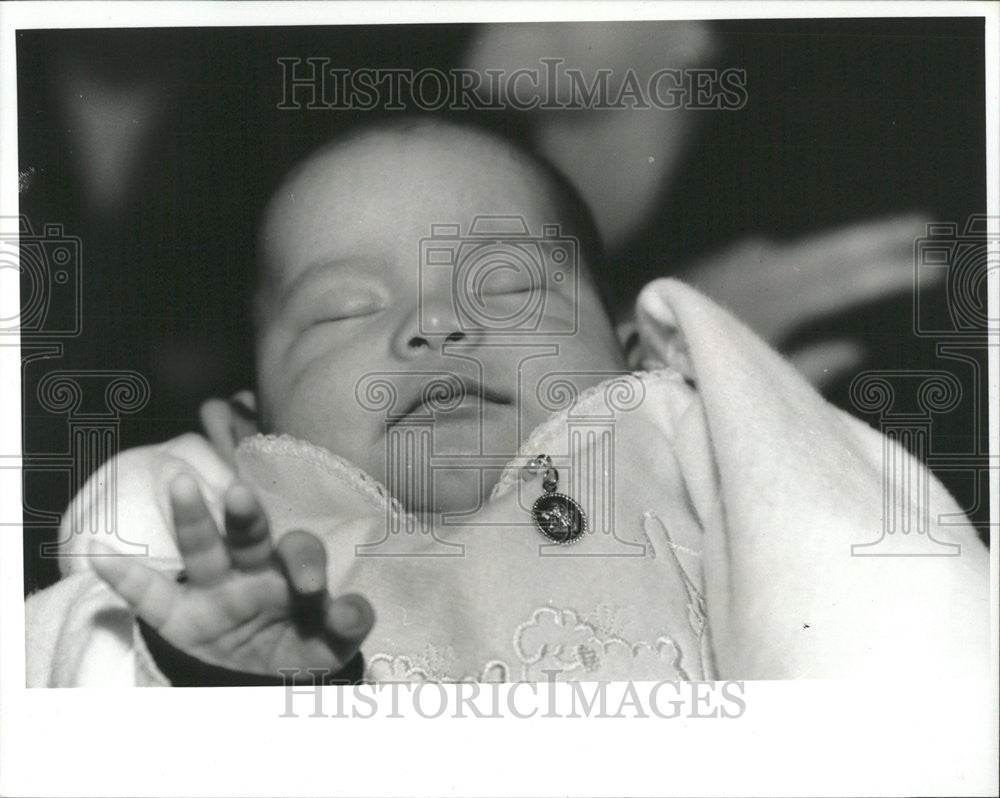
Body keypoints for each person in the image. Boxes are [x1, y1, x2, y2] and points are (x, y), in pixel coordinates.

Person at [24, 118, 988, 686]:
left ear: (631, 358)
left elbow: (886, 638)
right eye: (342, 310)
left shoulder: (697, 478)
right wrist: (219, 680)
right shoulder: (255, 568)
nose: (436, 325)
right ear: (247, 433)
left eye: (510, 287)